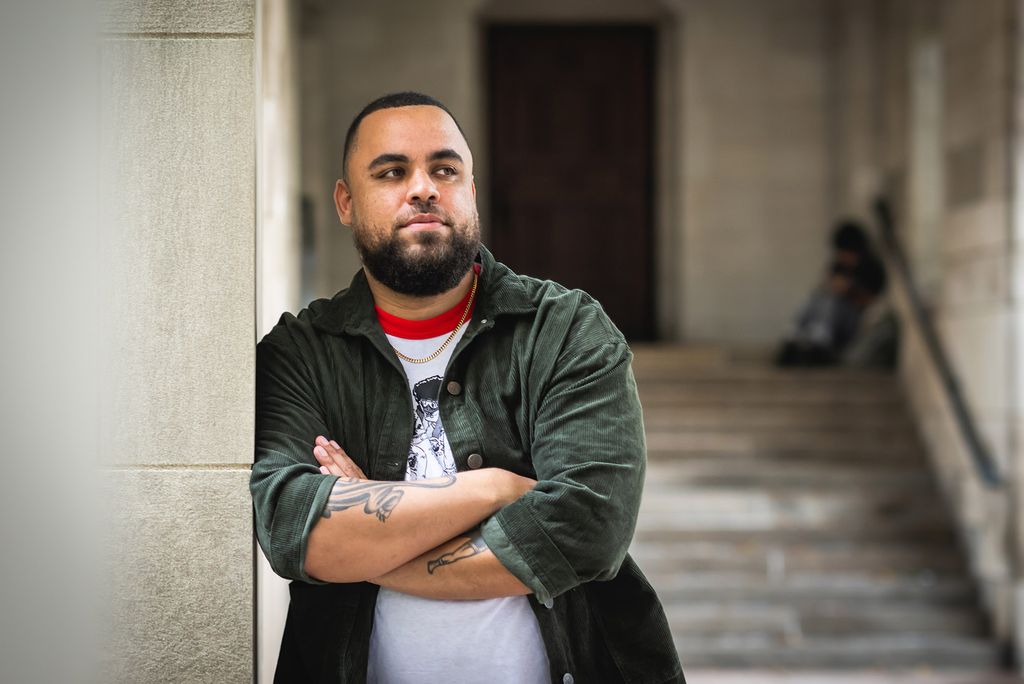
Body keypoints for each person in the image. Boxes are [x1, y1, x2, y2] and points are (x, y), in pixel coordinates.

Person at [250, 92, 684, 684]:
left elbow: (589, 527)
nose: (423, 187)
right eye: (392, 171)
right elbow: (288, 528)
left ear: (472, 194)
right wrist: (495, 489)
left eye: (445, 169)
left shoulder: (563, 330)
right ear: (346, 202)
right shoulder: (302, 353)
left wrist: (369, 547)